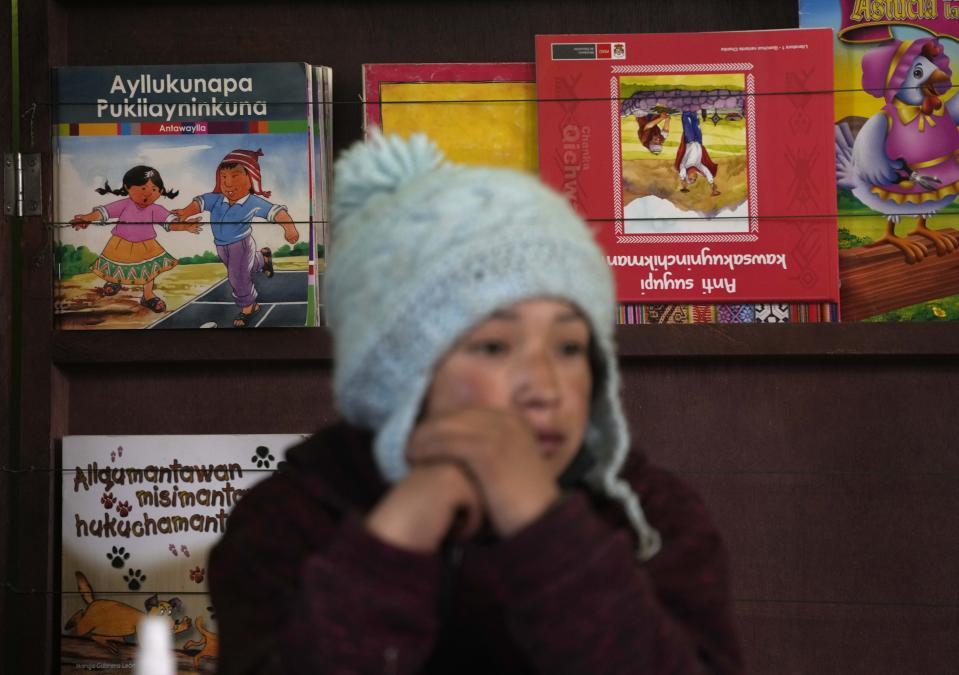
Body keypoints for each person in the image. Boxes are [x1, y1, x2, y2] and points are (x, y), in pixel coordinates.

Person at [209, 132, 743, 674]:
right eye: (493, 346)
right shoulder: (291, 518)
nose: (545, 386)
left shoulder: (648, 514)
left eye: (569, 347)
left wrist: (542, 525)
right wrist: (399, 536)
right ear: (400, 374)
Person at [171, 148, 300, 328]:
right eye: (223, 177)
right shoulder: (216, 199)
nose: (228, 183)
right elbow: (199, 202)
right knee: (243, 269)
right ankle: (263, 258)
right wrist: (185, 212)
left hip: (241, 244)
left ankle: (249, 306)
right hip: (221, 245)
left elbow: (277, 212)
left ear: (251, 179)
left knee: (237, 276)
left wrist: (290, 229)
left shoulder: (253, 202)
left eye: (235, 176)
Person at [70, 165, 201, 313]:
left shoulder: (156, 209)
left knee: (148, 271)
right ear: (127, 187)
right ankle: (115, 282)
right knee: (117, 264)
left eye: (154, 190)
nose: (148, 194)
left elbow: (171, 224)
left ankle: (148, 295)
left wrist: (185, 226)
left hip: (147, 245)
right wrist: (87, 218)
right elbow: (103, 213)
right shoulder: (124, 204)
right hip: (121, 242)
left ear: (160, 192)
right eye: (143, 188)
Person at [675, 111, 720, 196]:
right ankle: (693, 110)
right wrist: (711, 183)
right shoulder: (698, 166)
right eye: (695, 179)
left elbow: (682, 170)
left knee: (686, 122)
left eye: (691, 178)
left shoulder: (685, 167)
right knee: (695, 121)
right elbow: (707, 172)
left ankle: (685, 109)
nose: (695, 178)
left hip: (689, 140)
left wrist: (683, 179)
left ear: (688, 176)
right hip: (698, 141)